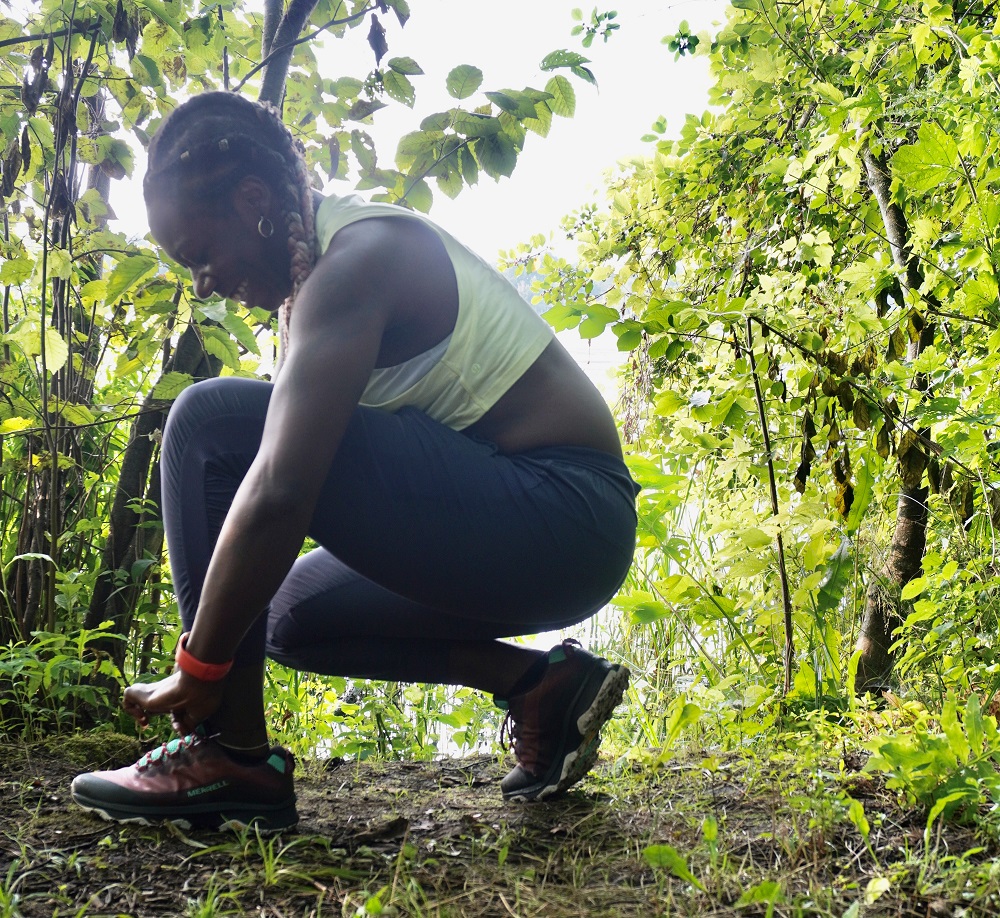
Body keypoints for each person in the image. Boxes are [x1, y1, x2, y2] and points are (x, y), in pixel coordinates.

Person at [70, 92, 639, 833]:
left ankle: (227, 754)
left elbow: (280, 490)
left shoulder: (358, 259)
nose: (204, 283)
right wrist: (222, 636)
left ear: (253, 201)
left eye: (202, 256)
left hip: (566, 512)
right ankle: (540, 687)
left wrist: (201, 667)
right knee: (287, 618)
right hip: (527, 523)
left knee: (207, 424)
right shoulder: (317, 279)